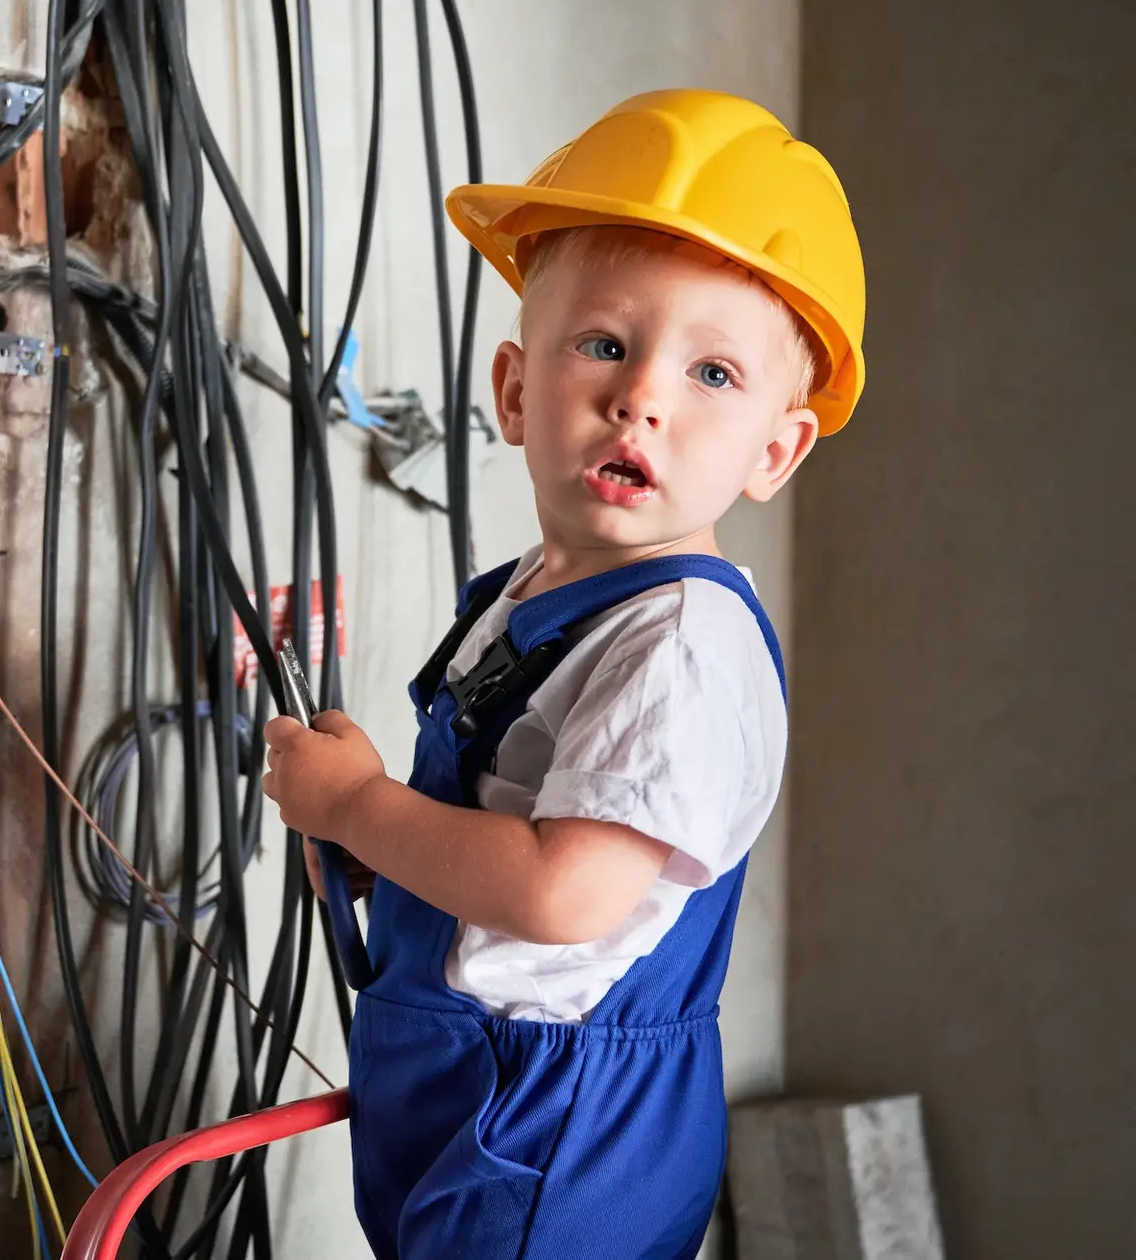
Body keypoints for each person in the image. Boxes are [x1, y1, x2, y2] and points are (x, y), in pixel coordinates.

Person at [261, 89, 866, 1260]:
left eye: (715, 376)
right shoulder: (530, 591)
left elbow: (564, 897)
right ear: (515, 391)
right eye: (604, 344)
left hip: (556, 1140)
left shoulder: (678, 644)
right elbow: (506, 832)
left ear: (775, 452)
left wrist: (357, 808)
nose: (642, 395)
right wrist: (385, 854)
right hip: (469, 1093)